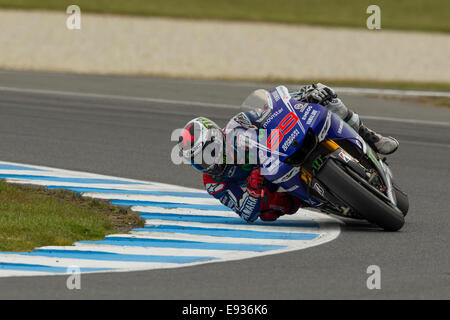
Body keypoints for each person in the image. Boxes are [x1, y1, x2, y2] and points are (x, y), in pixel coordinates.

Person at [177, 83, 399, 222]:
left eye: (208, 152)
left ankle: (371, 137)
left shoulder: (238, 124)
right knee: (268, 212)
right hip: (269, 181)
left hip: (280, 147)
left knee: (328, 97)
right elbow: (245, 212)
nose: (207, 163)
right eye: (199, 161)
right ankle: (319, 201)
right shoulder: (214, 183)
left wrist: (302, 95)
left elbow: (270, 109)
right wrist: (254, 191)